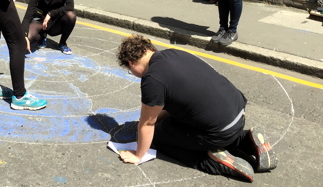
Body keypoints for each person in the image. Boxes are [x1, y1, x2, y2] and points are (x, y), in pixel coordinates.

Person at [116, 34, 277, 183]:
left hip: (218, 132)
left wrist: (138, 155)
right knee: (188, 123)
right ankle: (246, 140)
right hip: (237, 115)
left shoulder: (152, 80)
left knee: (158, 137)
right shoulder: (174, 54)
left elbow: (147, 125)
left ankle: (211, 160)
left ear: (131, 63)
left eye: (130, 71)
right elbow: (180, 101)